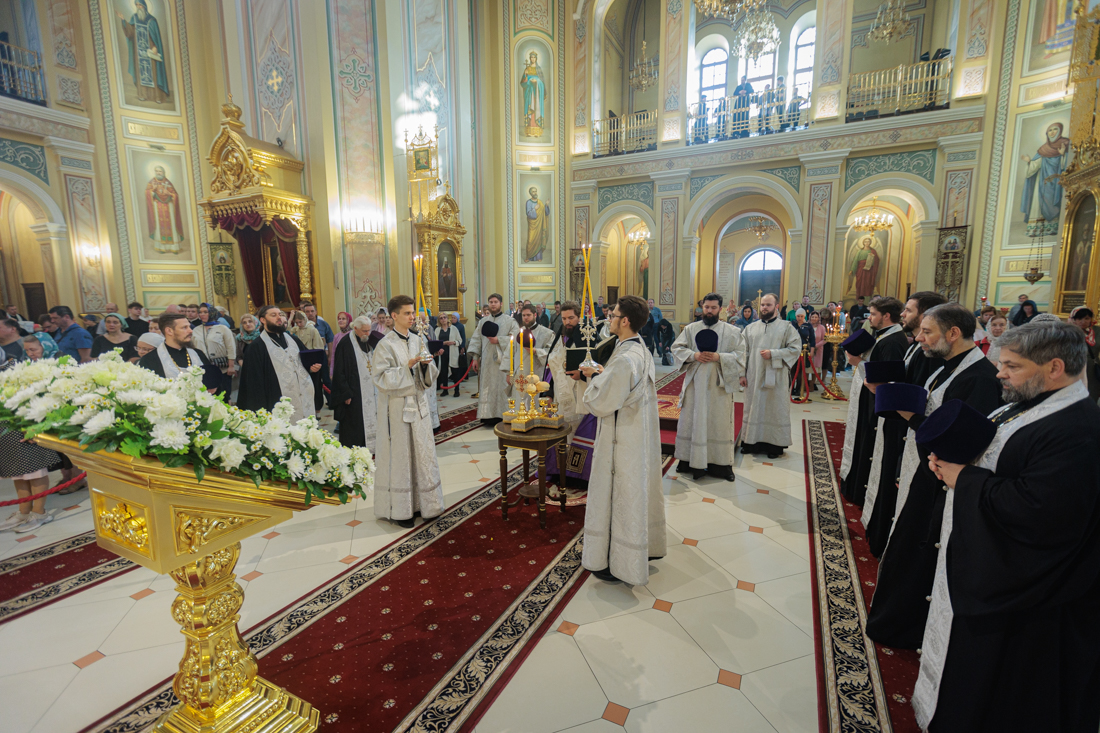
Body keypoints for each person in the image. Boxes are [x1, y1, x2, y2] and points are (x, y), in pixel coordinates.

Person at [913, 322, 1100, 732]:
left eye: (1012, 366)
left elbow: (1038, 511)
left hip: (1027, 599)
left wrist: (964, 479)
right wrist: (949, 459)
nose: (999, 372)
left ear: (1054, 368)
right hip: (984, 560)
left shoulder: (1078, 429)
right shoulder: (1029, 401)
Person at [866, 303, 1002, 649]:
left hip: (944, 482)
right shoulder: (947, 366)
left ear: (953, 333)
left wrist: (909, 415)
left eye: (927, 332)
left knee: (917, 553)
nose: (919, 338)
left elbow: (958, 441)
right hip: (926, 469)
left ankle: (904, 628)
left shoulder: (979, 378)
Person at [578, 295, 666, 584]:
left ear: (625, 321)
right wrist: (604, 373)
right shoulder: (640, 348)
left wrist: (591, 378)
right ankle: (635, 551)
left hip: (621, 437)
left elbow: (600, 402)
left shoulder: (625, 358)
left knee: (618, 494)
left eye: (613, 315)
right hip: (636, 433)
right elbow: (622, 383)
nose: (610, 318)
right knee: (633, 491)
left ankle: (615, 560)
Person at [860, 291, 947, 558]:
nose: (903, 315)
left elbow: (917, 393)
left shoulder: (928, 352)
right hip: (898, 422)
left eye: (909, 310)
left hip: (907, 428)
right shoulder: (914, 345)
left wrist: (885, 391)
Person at [372, 295, 444, 529]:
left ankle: (426, 504)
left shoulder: (418, 339)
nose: (412, 317)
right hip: (398, 409)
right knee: (402, 457)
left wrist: (425, 365)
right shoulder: (385, 344)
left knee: (422, 455)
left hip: (419, 406)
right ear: (394, 316)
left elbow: (430, 376)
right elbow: (380, 378)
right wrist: (408, 366)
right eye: (407, 313)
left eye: (413, 313)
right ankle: (402, 511)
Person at [839, 296, 908, 505]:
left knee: (869, 446)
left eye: (873, 314)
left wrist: (858, 362)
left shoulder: (893, 341)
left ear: (886, 316)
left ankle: (861, 492)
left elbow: (886, 379)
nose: (869, 318)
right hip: (867, 400)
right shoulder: (884, 335)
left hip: (876, 405)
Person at [671, 293, 746, 481]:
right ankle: (687, 461)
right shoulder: (690, 329)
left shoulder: (732, 331)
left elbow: (741, 355)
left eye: (713, 308)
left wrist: (719, 357)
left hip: (718, 386)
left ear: (720, 309)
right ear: (702, 308)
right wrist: (694, 355)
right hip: (694, 385)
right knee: (692, 420)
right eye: (706, 307)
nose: (709, 311)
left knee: (718, 423)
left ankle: (720, 464)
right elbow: (677, 348)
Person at [0, 338, 64, 533]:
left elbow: (37, 399)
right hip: (7, 430)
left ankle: (39, 512)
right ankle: (24, 511)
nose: (30, 352)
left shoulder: (18, 370)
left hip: (26, 427)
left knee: (35, 471)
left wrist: (35, 427)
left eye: (33, 349)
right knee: (18, 473)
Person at [739, 293, 803, 459]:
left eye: (768, 305)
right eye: (762, 305)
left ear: (776, 306)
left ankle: (774, 446)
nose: (764, 308)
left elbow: (795, 349)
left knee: (774, 409)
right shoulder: (750, 328)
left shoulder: (786, 327)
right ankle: (750, 442)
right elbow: (742, 352)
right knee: (753, 407)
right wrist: (741, 374)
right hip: (754, 376)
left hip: (777, 377)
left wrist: (774, 353)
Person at [236, 306, 321, 422]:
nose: (279, 317)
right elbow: (253, 385)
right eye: (273, 315)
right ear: (263, 320)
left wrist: (312, 368)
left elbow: (307, 363)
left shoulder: (293, 340)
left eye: (280, 314)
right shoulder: (256, 347)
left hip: (303, 399)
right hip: (276, 403)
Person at [467, 293, 519, 424]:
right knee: (488, 388)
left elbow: (516, 339)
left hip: (503, 362)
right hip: (487, 362)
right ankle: (487, 415)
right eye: (491, 302)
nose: (493, 304)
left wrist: (499, 340)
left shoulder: (510, 321)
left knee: (502, 387)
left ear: (501, 304)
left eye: (495, 302)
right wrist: (475, 358)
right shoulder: (483, 322)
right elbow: (476, 339)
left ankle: (503, 414)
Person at [331, 315, 377, 453]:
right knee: (354, 423)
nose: (367, 333)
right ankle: (355, 451)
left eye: (369, 330)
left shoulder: (369, 341)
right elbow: (339, 371)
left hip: (371, 391)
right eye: (364, 331)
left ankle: (371, 448)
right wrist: (345, 393)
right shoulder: (345, 344)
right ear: (355, 328)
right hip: (354, 392)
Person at [137, 313, 212, 378]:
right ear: (169, 331)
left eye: (189, 327)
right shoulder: (150, 360)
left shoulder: (198, 354)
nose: (190, 330)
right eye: (184, 327)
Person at [506, 304, 556, 400]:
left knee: (534, 402)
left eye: (528, 315)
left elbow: (552, 353)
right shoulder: (517, 333)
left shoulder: (547, 333)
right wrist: (509, 373)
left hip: (537, 374)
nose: (526, 318)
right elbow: (509, 353)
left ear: (535, 315)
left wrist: (536, 351)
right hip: (519, 375)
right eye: (524, 315)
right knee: (519, 402)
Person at [191, 304, 236, 398]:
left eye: (205, 312)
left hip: (221, 367)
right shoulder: (196, 330)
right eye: (200, 312)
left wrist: (231, 366)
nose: (202, 314)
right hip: (203, 368)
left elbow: (231, 347)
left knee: (224, 395)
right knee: (207, 395)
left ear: (212, 313)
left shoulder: (223, 328)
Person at [1069, 306, 1100, 401]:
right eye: (1079, 319)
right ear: (1074, 319)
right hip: (1073, 366)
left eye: (1087, 318)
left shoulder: (1097, 331)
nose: (1083, 321)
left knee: (1092, 394)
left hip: (1092, 369)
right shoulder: (1068, 332)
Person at [433, 312, 465, 397]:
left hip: (452, 352)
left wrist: (453, 342)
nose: (443, 319)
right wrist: (443, 343)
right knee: (444, 372)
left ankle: (456, 390)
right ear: (439, 320)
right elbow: (435, 342)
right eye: (441, 318)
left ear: (447, 319)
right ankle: (445, 390)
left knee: (455, 372)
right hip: (442, 353)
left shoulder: (454, 329)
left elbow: (460, 340)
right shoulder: (437, 330)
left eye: (444, 317)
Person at [792, 309, 817, 395]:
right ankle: (791, 388)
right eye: (798, 316)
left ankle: (798, 389)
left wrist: (812, 351)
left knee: (801, 370)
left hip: (804, 350)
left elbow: (812, 339)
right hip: (793, 349)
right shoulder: (792, 324)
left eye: (801, 316)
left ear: (804, 316)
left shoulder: (808, 326)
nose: (799, 318)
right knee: (792, 370)